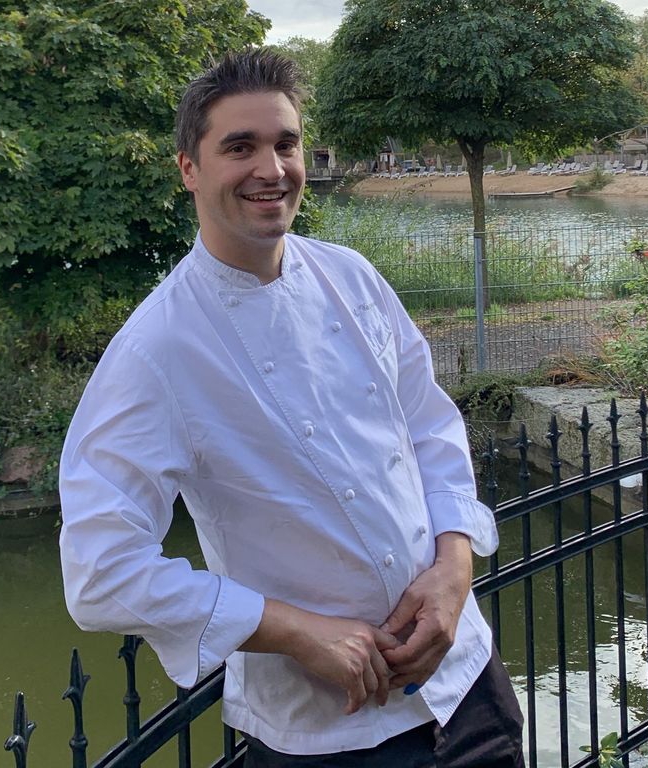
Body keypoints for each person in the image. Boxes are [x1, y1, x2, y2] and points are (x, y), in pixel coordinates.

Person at [58, 48, 525, 767]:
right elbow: (100, 571)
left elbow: (430, 428)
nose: (271, 169)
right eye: (239, 147)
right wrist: (294, 630)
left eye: (286, 143)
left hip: (466, 682)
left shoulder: (352, 277)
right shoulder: (157, 349)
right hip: (330, 732)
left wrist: (454, 567)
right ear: (188, 169)